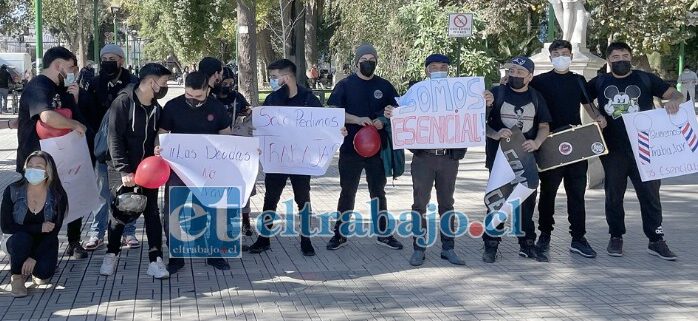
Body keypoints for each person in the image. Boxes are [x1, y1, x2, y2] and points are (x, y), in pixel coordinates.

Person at [586, 42, 684, 260]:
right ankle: (616, 237)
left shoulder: (644, 79)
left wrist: (674, 102)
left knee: (650, 195)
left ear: (630, 57)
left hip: (645, 148)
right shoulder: (601, 81)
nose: (621, 59)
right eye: (616, 56)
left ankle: (656, 239)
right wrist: (596, 116)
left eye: (625, 55)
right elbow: (584, 99)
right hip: (613, 149)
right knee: (613, 195)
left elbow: (676, 94)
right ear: (608, 60)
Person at [248, 59, 346, 256]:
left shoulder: (309, 100)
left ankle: (306, 240)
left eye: (274, 77)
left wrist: (338, 132)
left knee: (303, 200)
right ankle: (263, 238)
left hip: (302, 162)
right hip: (277, 160)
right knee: (270, 199)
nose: (272, 81)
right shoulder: (272, 100)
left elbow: (324, 127)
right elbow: (261, 129)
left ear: (286, 78)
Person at [384, 54, 471, 266]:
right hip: (424, 157)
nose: (439, 70)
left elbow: (473, 114)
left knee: (447, 204)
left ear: (449, 70)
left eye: (443, 66)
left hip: (449, 158)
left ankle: (448, 248)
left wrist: (485, 102)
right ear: (426, 70)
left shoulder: (459, 92)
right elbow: (402, 112)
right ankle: (418, 248)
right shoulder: (417, 92)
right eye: (434, 66)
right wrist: (393, 113)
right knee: (419, 204)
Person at [528, 40, 607, 262]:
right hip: (550, 143)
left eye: (565, 53)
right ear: (550, 57)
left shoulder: (579, 80)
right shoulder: (539, 81)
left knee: (576, 193)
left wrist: (598, 117)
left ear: (571, 56)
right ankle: (544, 235)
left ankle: (579, 239)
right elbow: (523, 92)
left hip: (575, 144)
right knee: (548, 193)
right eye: (556, 53)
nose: (561, 56)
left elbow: (588, 105)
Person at [325, 43, 404, 251]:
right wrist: (356, 119)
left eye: (372, 60)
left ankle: (383, 233)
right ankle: (340, 234)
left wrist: (383, 119)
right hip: (351, 149)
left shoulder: (385, 86)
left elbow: (398, 110)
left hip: (377, 150)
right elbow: (333, 113)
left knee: (378, 191)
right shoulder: (345, 85)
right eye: (364, 60)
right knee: (347, 191)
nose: (369, 63)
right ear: (357, 62)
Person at [99, 63, 172, 279]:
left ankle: (155, 259)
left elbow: (153, 138)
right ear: (152, 82)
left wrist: (157, 148)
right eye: (164, 82)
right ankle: (111, 254)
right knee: (122, 211)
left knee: (151, 212)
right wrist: (124, 170)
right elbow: (114, 138)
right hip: (122, 169)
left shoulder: (156, 108)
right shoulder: (122, 103)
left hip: (148, 169)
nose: (166, 86)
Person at [15, 46, 89, 259]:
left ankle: (73, 242)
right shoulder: (38, 86)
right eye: (70, 67)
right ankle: (32, 251)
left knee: (71, 197)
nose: (72, 71)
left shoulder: (63, 90)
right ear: (58, 65)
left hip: (65, 158)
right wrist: (74, 124)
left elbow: (73, 114)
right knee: (36, 203)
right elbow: (47, 117)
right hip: (36, 160)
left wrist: (75, 102)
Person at [157, 71, 234, 274]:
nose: (192, 100)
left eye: (198, 97)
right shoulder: (172, 106)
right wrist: (159, 147)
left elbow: (226, 137)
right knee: (172, 211)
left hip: (208, 171)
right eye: (188, 96)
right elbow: (162, 134)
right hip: (178, 170)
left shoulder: (217, 108)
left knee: (213, 210)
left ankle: (214, 254)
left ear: (207, 89)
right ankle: (176, 256)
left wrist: (246, 151)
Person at [482, 56, 552, 263]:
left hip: (526, 159)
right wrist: (496, 134)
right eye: (511, 71)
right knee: (497, 202)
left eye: (520, 72)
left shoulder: (537, 97)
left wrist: (537, 143)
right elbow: (479, 124)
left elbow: (544, 126)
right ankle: (491, 244)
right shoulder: (496, 93)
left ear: (530, 76)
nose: (514, 75)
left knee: (526, 203)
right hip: (499, 159)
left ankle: (527, 244)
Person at [81, 44, 140, 251]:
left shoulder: (133, 83)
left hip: (127, 147)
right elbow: (86, 112)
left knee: (127, 190)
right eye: (104, 58)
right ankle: (96, 232)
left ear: (121, 60)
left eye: (112, 58)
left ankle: (129, 231)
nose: (107, 62)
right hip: (102, 148)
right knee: (101, 192)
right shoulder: (96, 83)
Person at [1, 151, 67, 297]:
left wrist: (34, 257)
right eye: (30, 166)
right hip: (16, 240)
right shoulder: (12, 190)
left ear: (48, 171)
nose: (33, 169)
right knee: (22, 239)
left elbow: (54, 232)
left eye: (38, 166)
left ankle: (30, 265)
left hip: (44, 241)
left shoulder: (58, 195)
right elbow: (6, 226)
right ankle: (17, 276)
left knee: (43, 274)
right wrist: (39, 227)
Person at [216, 66, 256, 236]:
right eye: (225, 83)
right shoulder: (211, 98)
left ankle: (246, 220)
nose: (228, 86)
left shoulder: (238, 98)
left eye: (231, 83)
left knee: (243, 185)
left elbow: (248, 115)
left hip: (237, 148)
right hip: (216, 149)